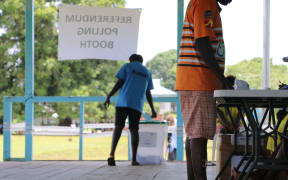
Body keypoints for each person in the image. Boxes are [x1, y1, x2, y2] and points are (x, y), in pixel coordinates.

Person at [174, 0, 233, 179]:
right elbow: (201, 41)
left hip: (193, 79)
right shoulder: (205, 2)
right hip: (199, 79)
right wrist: (220, 77)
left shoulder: (202, 3)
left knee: (194, 134)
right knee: (198, 136)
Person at [104, 54, 157, 166]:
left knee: (118, 126)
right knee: (134, 130)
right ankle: (133, 160)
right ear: (141, 61)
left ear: (131, 60)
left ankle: (112, 155)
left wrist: (109, 95)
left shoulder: (127, 66)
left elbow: (119, 83)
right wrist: (152, 109)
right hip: (136, 104)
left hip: (123, 102)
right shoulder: (147, 72)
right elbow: (148, 93)